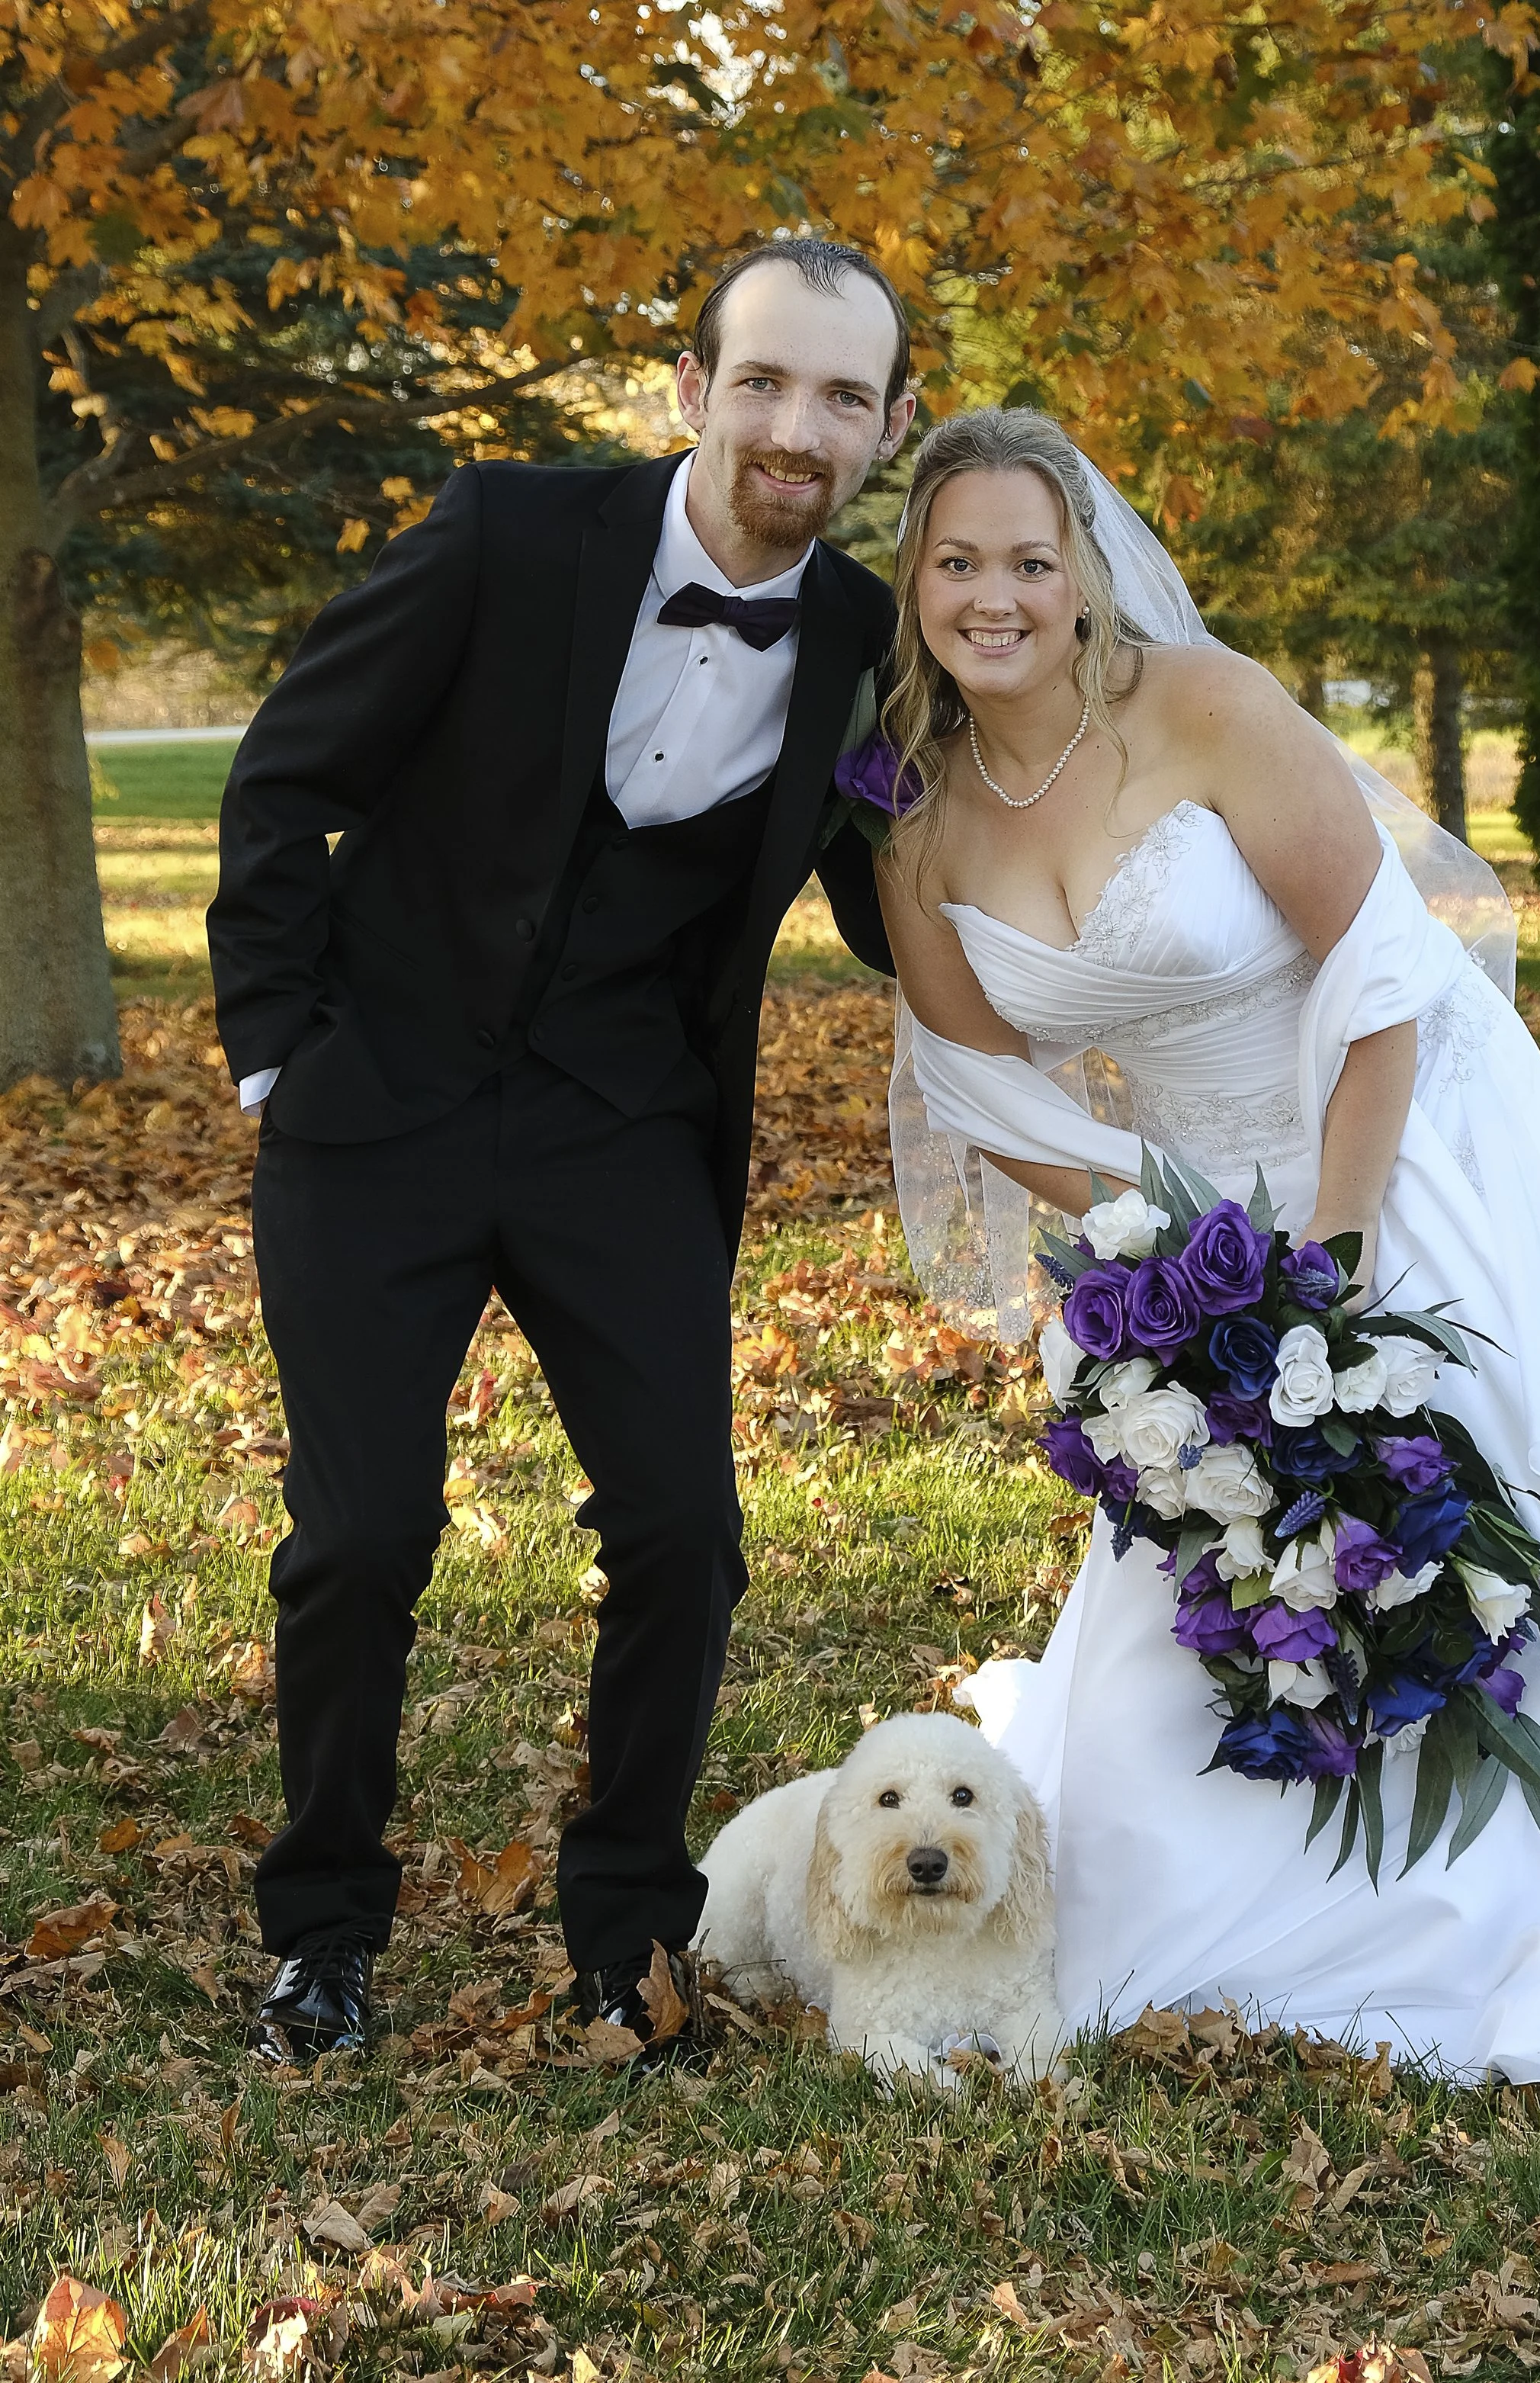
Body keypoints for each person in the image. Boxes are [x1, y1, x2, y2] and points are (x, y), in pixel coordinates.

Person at [871, 406, 1540, 2087]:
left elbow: (1379, 975)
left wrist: (1333, 1263)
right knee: (1221, 1577)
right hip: (1201, 1224)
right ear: (914, 585)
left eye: (1029, 562)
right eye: (957, 564)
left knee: (1461, 1505)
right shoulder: (920, 830)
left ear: (1083, 578)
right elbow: (979, 1085)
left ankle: (1539, 1846)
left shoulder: (1204, 708)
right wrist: (1156, 1241)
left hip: (1398, 1130)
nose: (995, 597)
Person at [207, 239, 915, 2060]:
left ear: (888, 429)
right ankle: (322, 1928)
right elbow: (287, 776)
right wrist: (276, 1055)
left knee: (685, 1529)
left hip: (624, 1129)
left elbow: (890, 897)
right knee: (360, 1535)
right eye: (763, 381)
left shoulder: (866, 637)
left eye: (841, 396)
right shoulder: (503, 533)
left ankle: (626, 1930)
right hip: (377, 1109)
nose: (796, 426)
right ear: (690, 392)